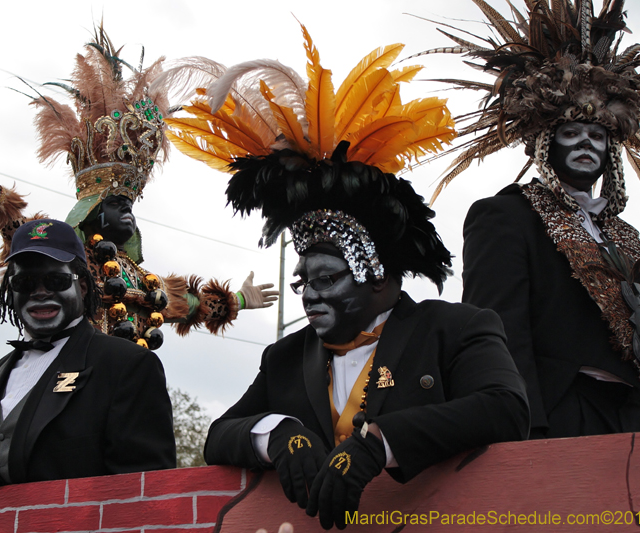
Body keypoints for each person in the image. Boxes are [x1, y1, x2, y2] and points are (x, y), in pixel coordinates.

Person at [161, 27, 529, 530]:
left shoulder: (454, 330)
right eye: (303, 283)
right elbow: (219, 435)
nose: (310, 295)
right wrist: (278, 433)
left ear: (377, 277)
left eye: (327, 279)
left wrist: (382, 442)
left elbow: (506, 408)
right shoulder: (285, 358)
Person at [423, 1, 640, 437]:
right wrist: (525, 430)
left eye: (597, 135)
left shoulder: (625, 237)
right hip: (563, 414)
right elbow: (497, 334)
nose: (586, 143)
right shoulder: (506, 216)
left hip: (636, 418)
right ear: (546, 144)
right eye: (572, 133)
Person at [0, 27, 276, 349]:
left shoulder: (144, 279)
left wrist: (240, 299)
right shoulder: (65, 261)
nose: (128, 215)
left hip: (127, 389)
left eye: (130, 207)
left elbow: (189, 304)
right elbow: (13, 229)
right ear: (90, 209)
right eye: (119, 204)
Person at [0, 219, 175, 490]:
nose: (40, 292)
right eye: (25, 282)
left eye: (56, 280)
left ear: (82, 287)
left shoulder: (127, 365)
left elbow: (145, 493)